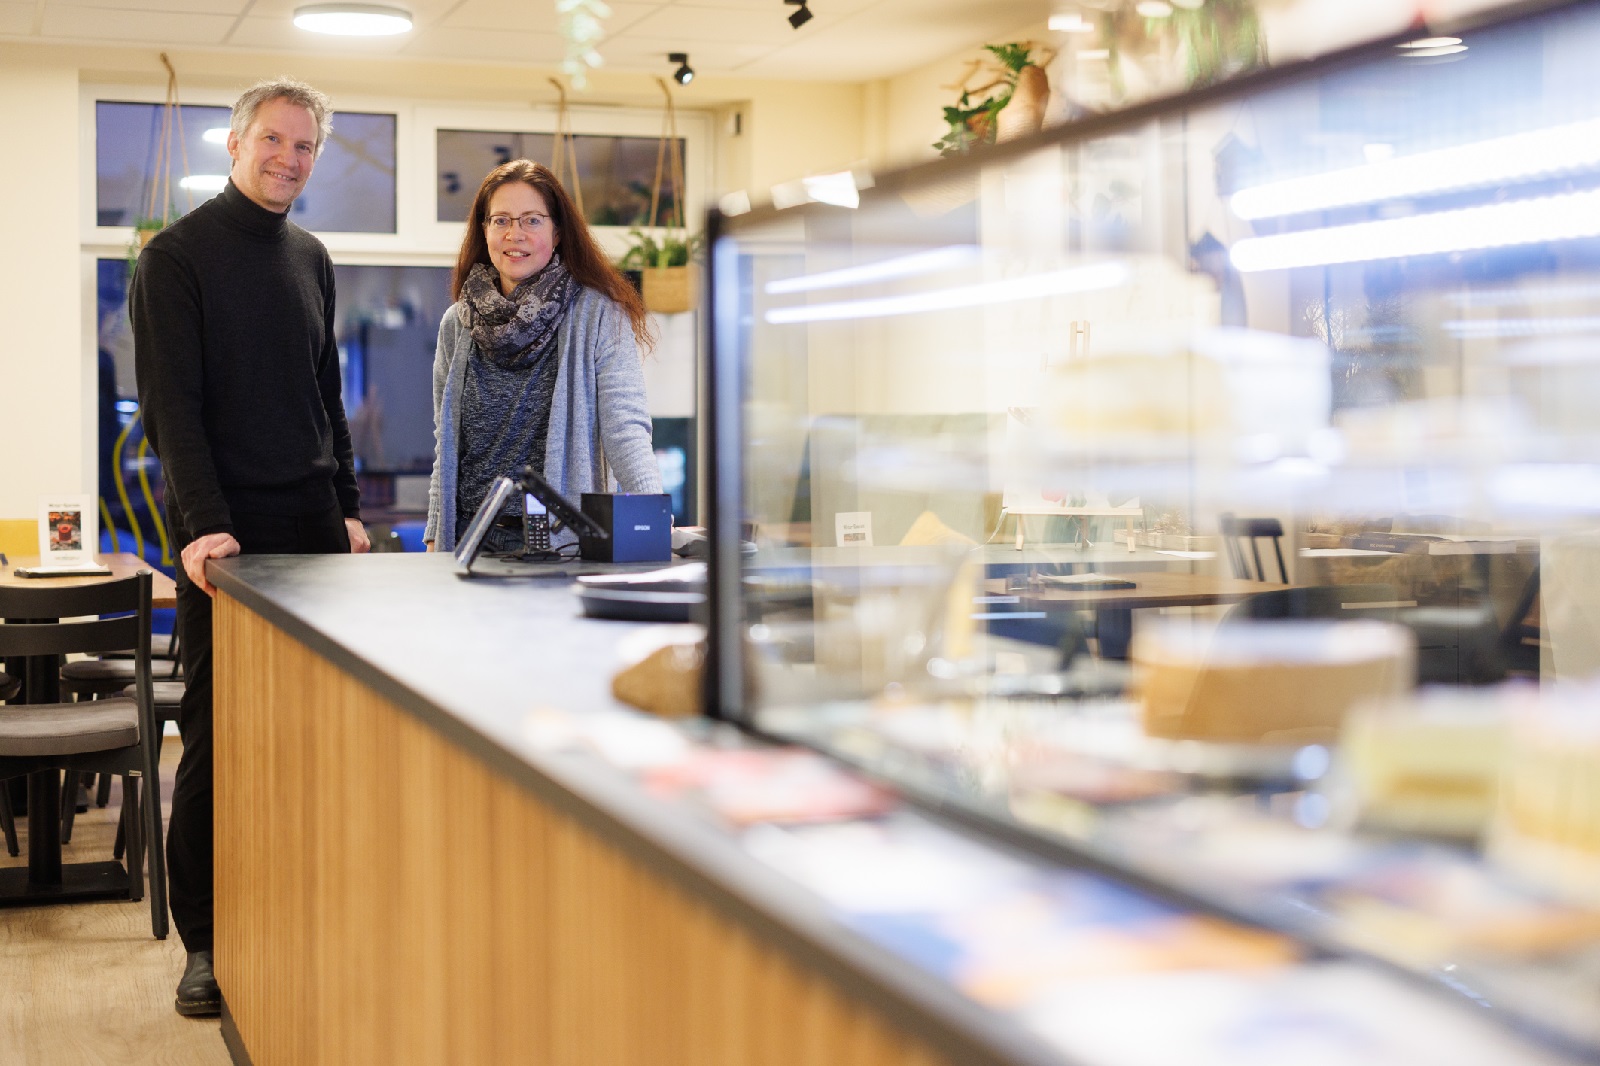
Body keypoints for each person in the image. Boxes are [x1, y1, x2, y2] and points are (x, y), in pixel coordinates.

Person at [131, 76, 369, 1017]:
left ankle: (296, 908)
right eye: (274, 140)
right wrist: (202, 527)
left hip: (315, 530)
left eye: (305, 147)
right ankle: (208, 942)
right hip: (225, 539)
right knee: (221, 743)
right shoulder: (177, 258)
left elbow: (327, 396)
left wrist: (348, 508)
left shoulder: (310, 258)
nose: (289, 159)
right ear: (234, 143)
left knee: (311, 741)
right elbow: (171, 411)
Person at [425, 159, 661, 554]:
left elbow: (626, 429)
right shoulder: (458, 322)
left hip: (559, 538)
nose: (514, 234)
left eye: (531, 220)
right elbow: (445, 441)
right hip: (470, 534)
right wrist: (435, 531)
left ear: (557, 232)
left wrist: (654, 517)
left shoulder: (597, 315)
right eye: (500, 220)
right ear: (484, 231)